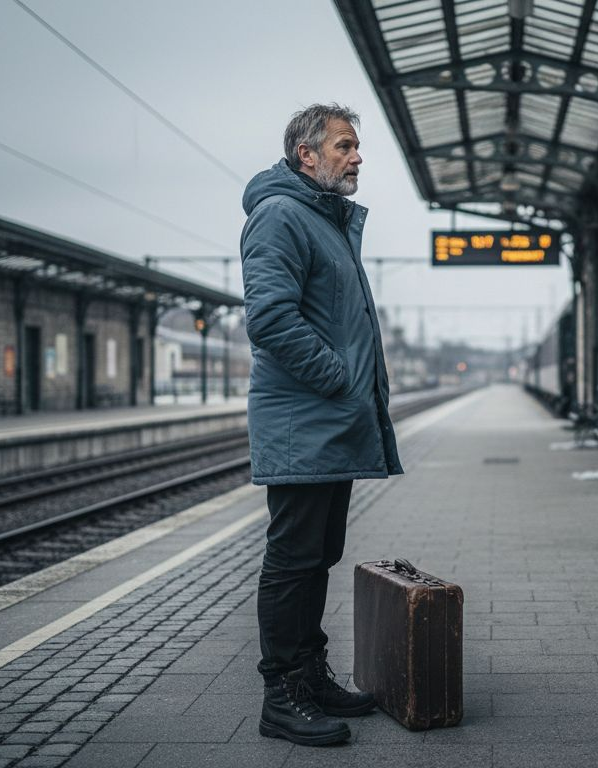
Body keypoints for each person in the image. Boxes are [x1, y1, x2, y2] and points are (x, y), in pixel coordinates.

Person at [240, 103, 403, 747]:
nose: (357, 155)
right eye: (345, 145)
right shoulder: (281, 216)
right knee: (294, 559)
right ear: (307, 154)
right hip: (303, 420)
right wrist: (339, 377)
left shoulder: (324, 220)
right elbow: (271, 319)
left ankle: (310, 675)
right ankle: (281, 695)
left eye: (357, 145)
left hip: (328, 424)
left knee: (318, 556)